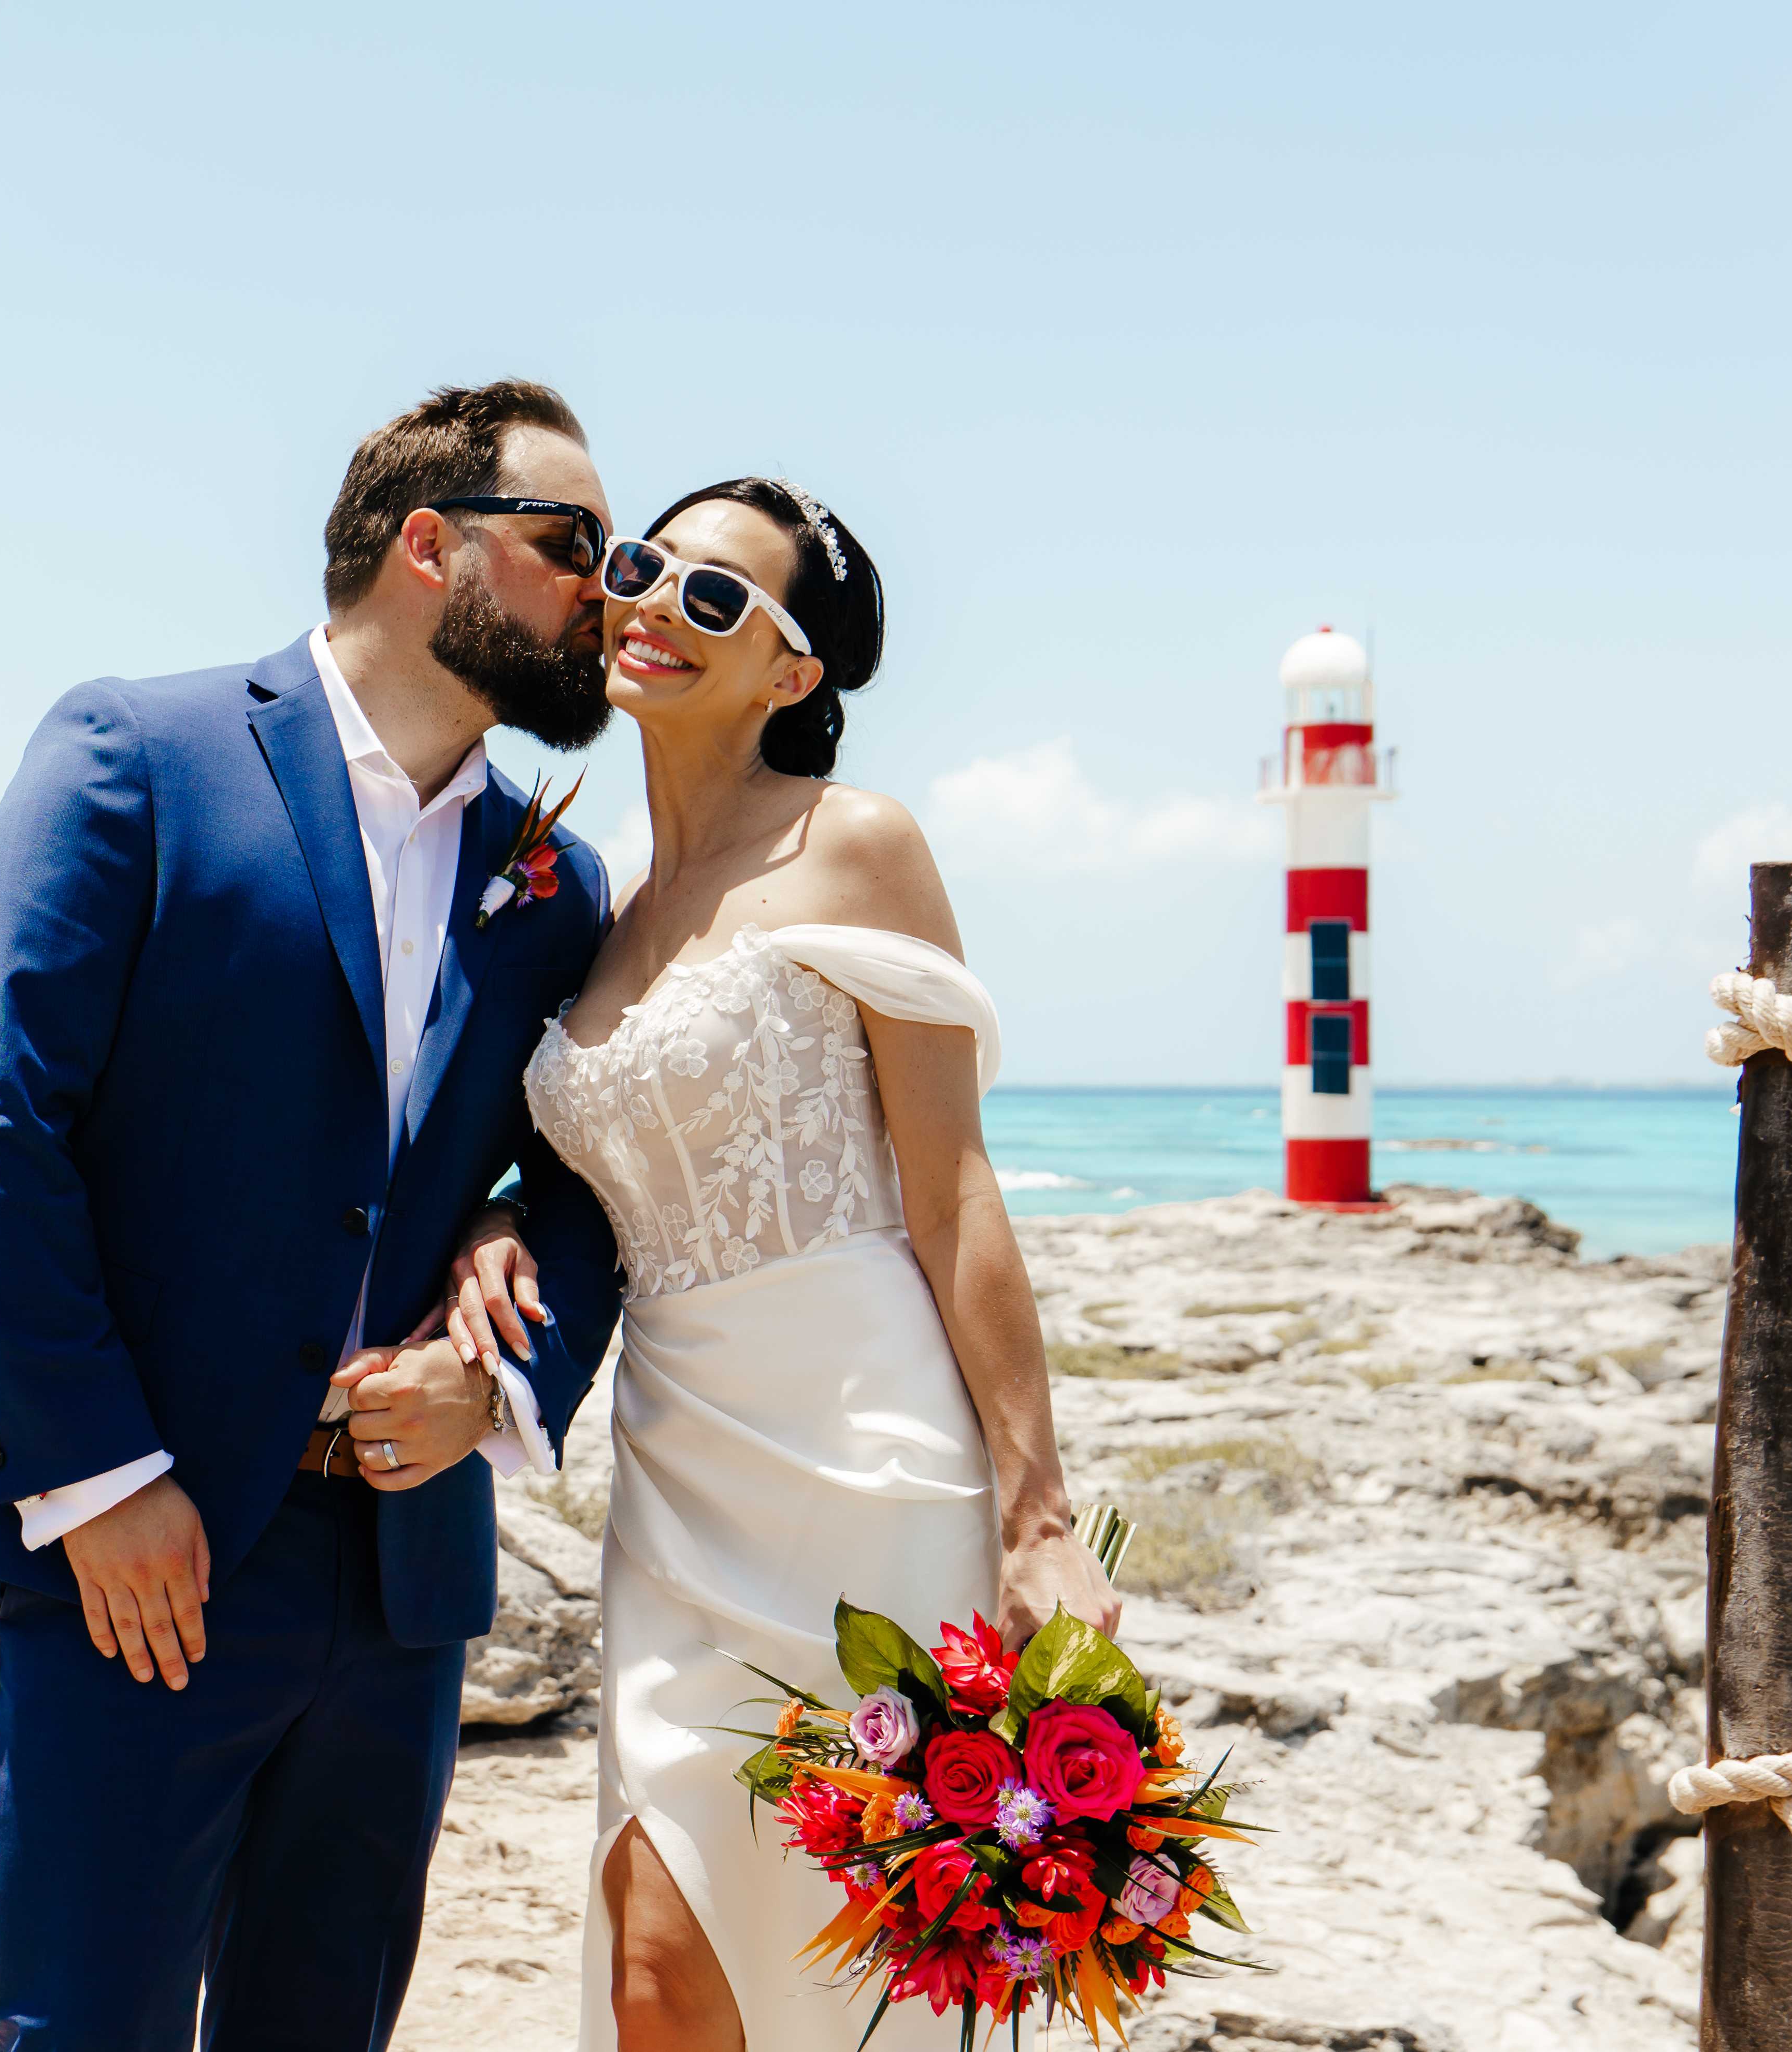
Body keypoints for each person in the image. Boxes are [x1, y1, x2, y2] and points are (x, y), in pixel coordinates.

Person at [0, 380, 628, 2051]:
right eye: (573, 542)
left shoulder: (556, 879)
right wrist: (103, 1473)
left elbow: (587, 1173)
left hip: (400, 1571)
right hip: (145, 1550)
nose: (609, 586)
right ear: (431, 546)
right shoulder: (136, 754)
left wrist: (501, 1376)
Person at [504, 478, 1122, 2050]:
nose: (652, 607)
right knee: (658, 1952)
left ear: (796, 675)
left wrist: (1038, 1513)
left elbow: (956, 1192)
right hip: (674, 1478)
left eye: (718, 598)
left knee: (867, 1974)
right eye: (644, 569)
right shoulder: (602, 906)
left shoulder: (859, 845)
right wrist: (494, 1227)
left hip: (871, 1471)